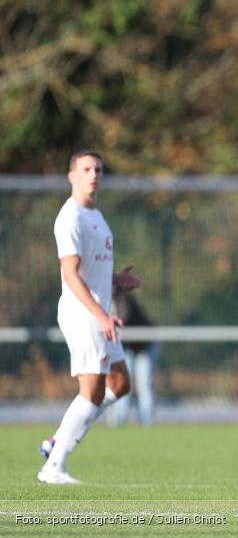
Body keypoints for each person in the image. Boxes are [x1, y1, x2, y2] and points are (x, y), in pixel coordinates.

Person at [38, 149, 141, 484]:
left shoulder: (96, 216)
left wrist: (115, 281)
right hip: (83, 314)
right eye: (86, 169)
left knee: (121, 384)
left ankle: (57, 441)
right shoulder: (71, 218)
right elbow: (70, 274)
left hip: (99, 312)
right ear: (72, 176)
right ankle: (53, 466)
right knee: (92, 391)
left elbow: (90, 270)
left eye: (98, 169)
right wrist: (100, 314)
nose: (93, 174)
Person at [109, 291, 158, 427]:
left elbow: (124, 319)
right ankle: (118, 422)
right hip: (126, 348)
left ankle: (146, 422)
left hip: (144, 347)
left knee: (144, 386)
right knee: (122, 385)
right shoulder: (101, 302)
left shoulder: (123, 298)